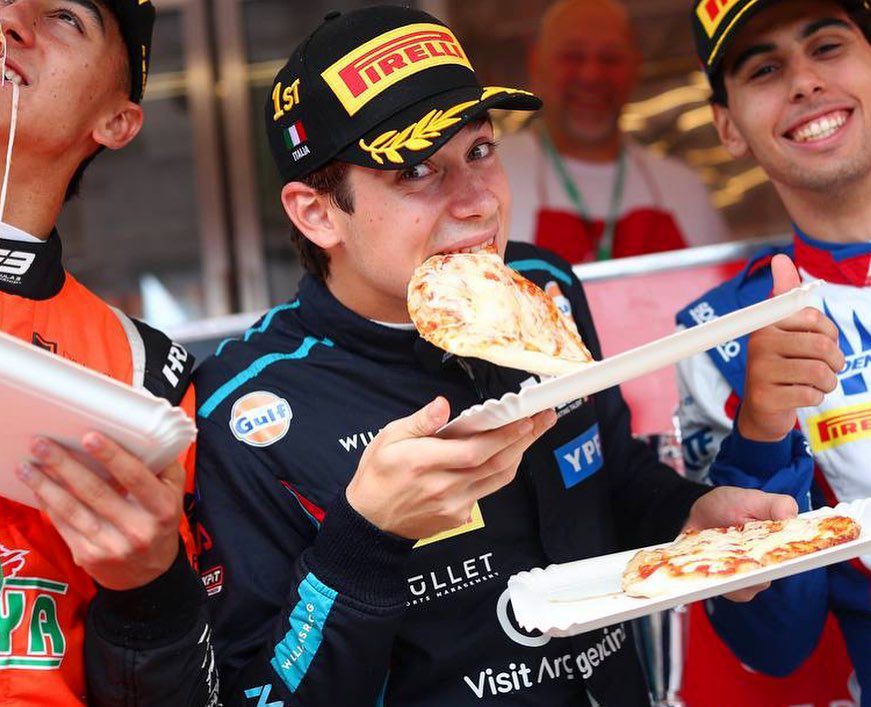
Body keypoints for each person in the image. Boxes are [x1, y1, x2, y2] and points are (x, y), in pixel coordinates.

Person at [187, 6, 842, 705]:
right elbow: (256, 692)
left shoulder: (544, 287)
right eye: (415, 169)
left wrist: (691, 515)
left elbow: (609, 474)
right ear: (317, 212)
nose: (476, 201)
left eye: (478, 150)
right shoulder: (244, 410)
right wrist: (366, 537)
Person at [0, 0, 214, 703]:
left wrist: (150, 592)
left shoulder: (148, 372)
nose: (9, 21)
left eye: (63, 17)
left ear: (115, 121)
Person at [677, 0, 871, 698]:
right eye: (764, 67)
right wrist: (761, 433)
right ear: (728, 126)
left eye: (825, 45)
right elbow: (772, 643)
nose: (802, 82)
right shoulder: (718, 335)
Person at [499, 0, 730, 263]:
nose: (591, 75)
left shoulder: (685, 189)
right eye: (573, 56)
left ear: (636, 67)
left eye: (610, 58)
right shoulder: (493, 176)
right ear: (536, 64)